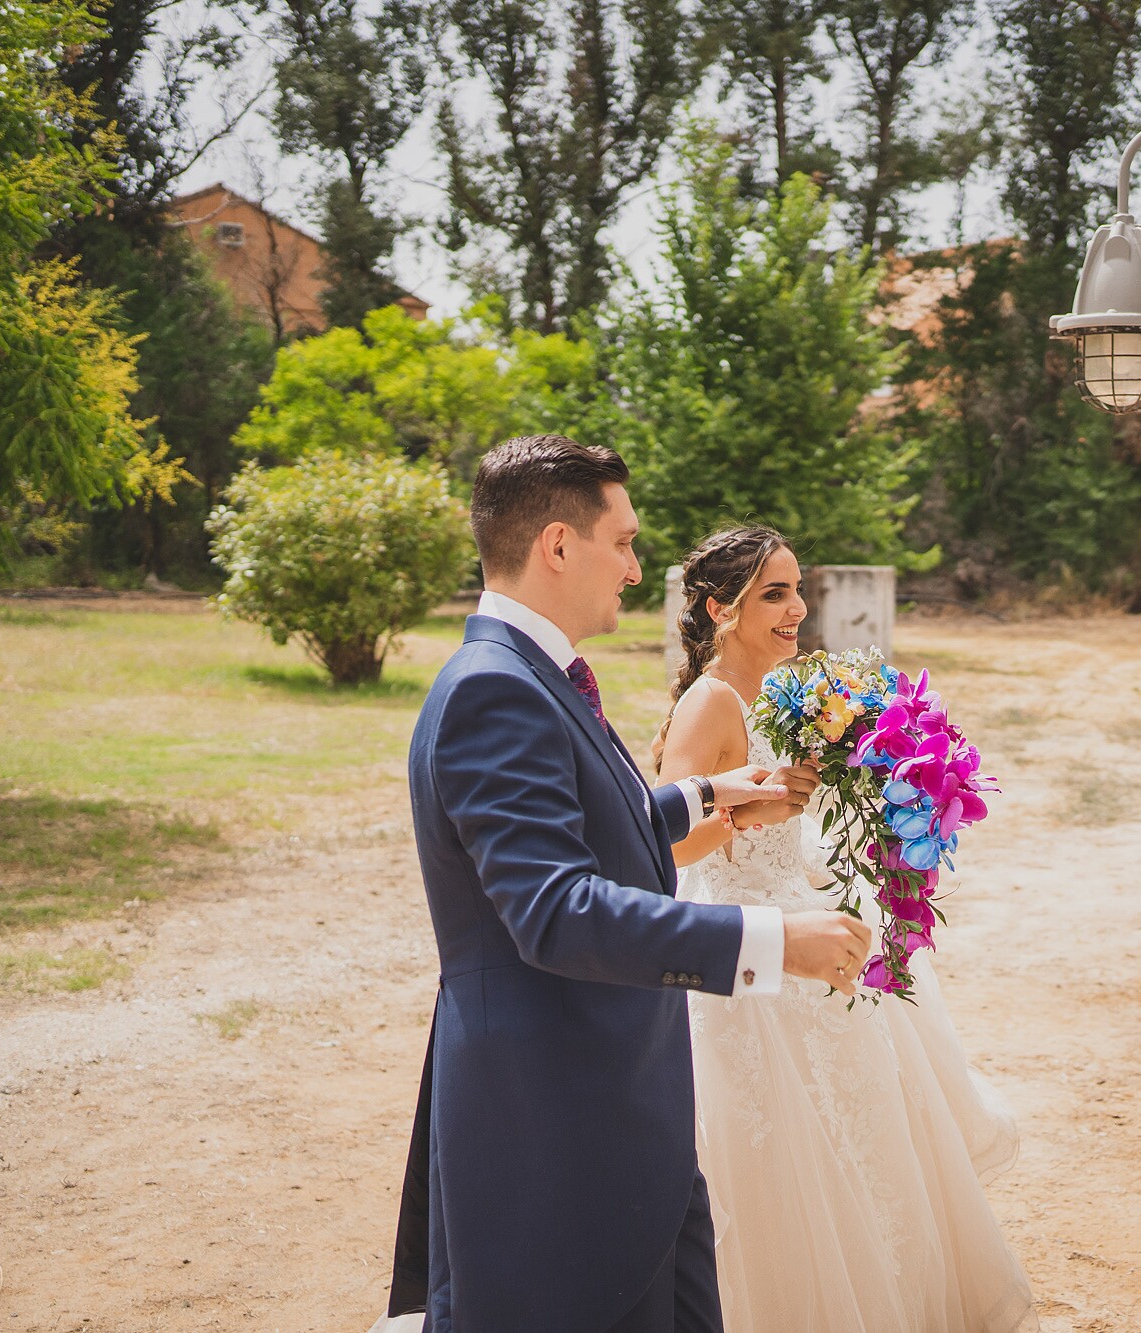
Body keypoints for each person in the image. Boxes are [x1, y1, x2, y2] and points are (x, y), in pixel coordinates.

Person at [390, 436, 873, 1332]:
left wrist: (705, 797)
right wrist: (772, 941)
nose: (636, 567)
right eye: (622, 542)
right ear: (558, 545)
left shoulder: (535, 675)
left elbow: (584, 827)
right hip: (557, 1122)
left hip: (626, 1110)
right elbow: (555, 909)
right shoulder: (494, 691)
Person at [655, 527, 1038, 1333]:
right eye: (774, 593)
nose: (797, 607)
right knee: (778, 1157)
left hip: (807, 911)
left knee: (861, 1142)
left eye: (797, 589)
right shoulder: (711, 701)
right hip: (744, 941)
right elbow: (666, 843)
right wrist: (748, 814)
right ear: (721, 609)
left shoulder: (786, 690)